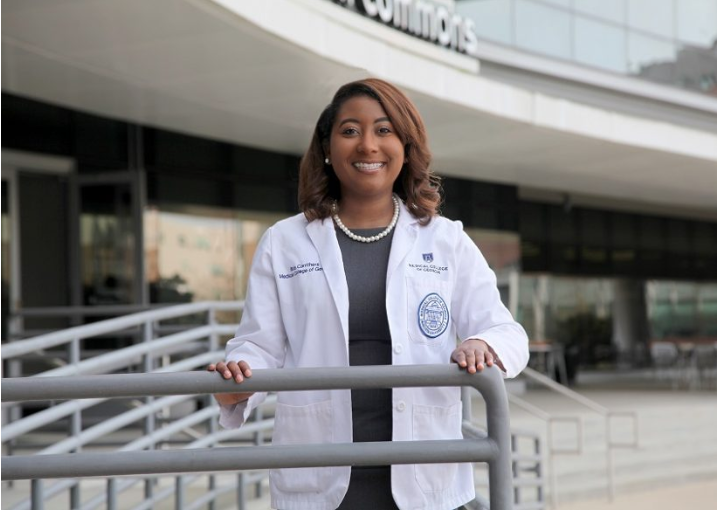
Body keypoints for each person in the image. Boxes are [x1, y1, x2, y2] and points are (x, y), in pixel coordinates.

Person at [208, 78, 529, 510]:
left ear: (406, 145)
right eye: (350, 131)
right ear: (326, 147)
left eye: (384, 130)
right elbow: (259, 345)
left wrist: (481, 343)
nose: (367, 146)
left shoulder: (445, 239)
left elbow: (507, 332)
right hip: (319, 473)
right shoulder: (284, 241)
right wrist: (237, 376)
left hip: (424, 472)